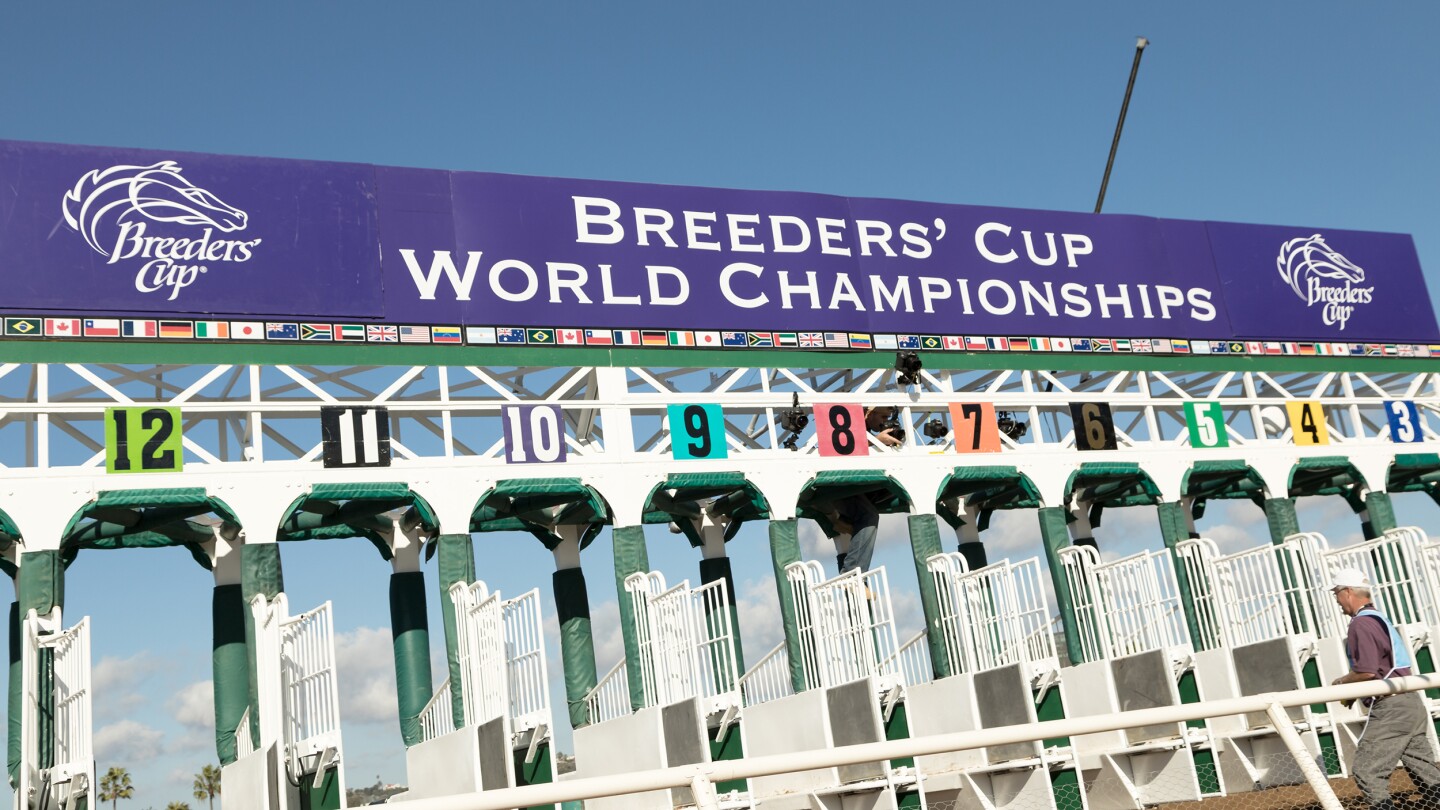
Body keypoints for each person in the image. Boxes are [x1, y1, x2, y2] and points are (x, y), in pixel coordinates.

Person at [1329, 567, 1440, 809]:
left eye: (1336, 593)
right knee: (1426, 773)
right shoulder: (1379, 617)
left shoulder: (1360, 623)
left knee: (1367, 771)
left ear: (1348, 592)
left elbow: (1367, 671)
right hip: (1411, 703)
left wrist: (1341, 684)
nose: (1336, 599)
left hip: (1391, 707)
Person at [830, 407, 902, 573]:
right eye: (883, 416)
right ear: (870, 413)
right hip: (838, 483)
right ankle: (851, 574)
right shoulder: (848, 423)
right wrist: (876, 441)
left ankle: (845, 520)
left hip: (858, 485)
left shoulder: (869, 430)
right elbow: (840, 451)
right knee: (869, 516)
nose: (885, 421)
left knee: (898, 483)